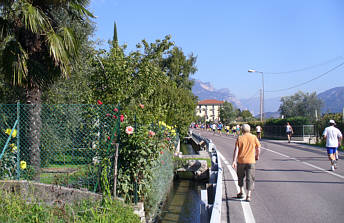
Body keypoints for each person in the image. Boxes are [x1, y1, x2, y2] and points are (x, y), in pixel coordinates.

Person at [232, 124, 261, 202]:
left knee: (240, 176)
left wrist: (234, 161)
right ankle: (248, 195)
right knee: (250, 178)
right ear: (249, 130)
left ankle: (241, 192)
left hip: (241, 161)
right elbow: (258, 147)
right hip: (251, 161)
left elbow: (236, 150)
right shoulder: (254, 137)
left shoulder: (240, 138)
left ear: (242, 130)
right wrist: (257, 156)